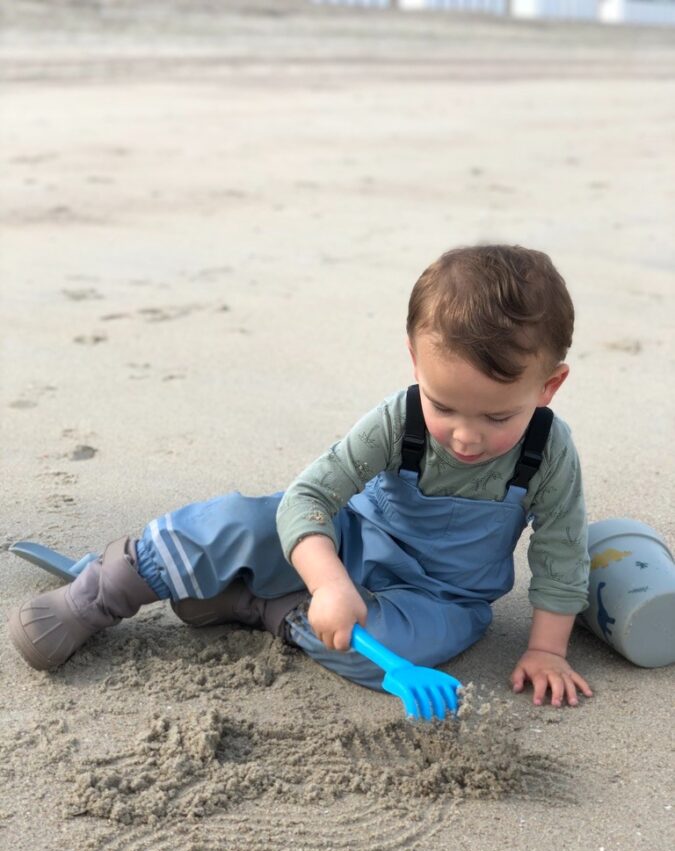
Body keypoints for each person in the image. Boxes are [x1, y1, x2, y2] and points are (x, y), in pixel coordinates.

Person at [8, 244, 593, 707]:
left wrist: (546, 649)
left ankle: (262, 607)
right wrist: (331, 582)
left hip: (439, 598)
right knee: (242, 521)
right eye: (444, 407)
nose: (467, 436)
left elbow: (562, 552)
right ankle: (103, 592)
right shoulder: (399, 419)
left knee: (395, 656)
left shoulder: (549, 452)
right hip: (347, 544)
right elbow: (309, 498)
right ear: (416, 364)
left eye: (497, 416)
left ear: (549, 387)